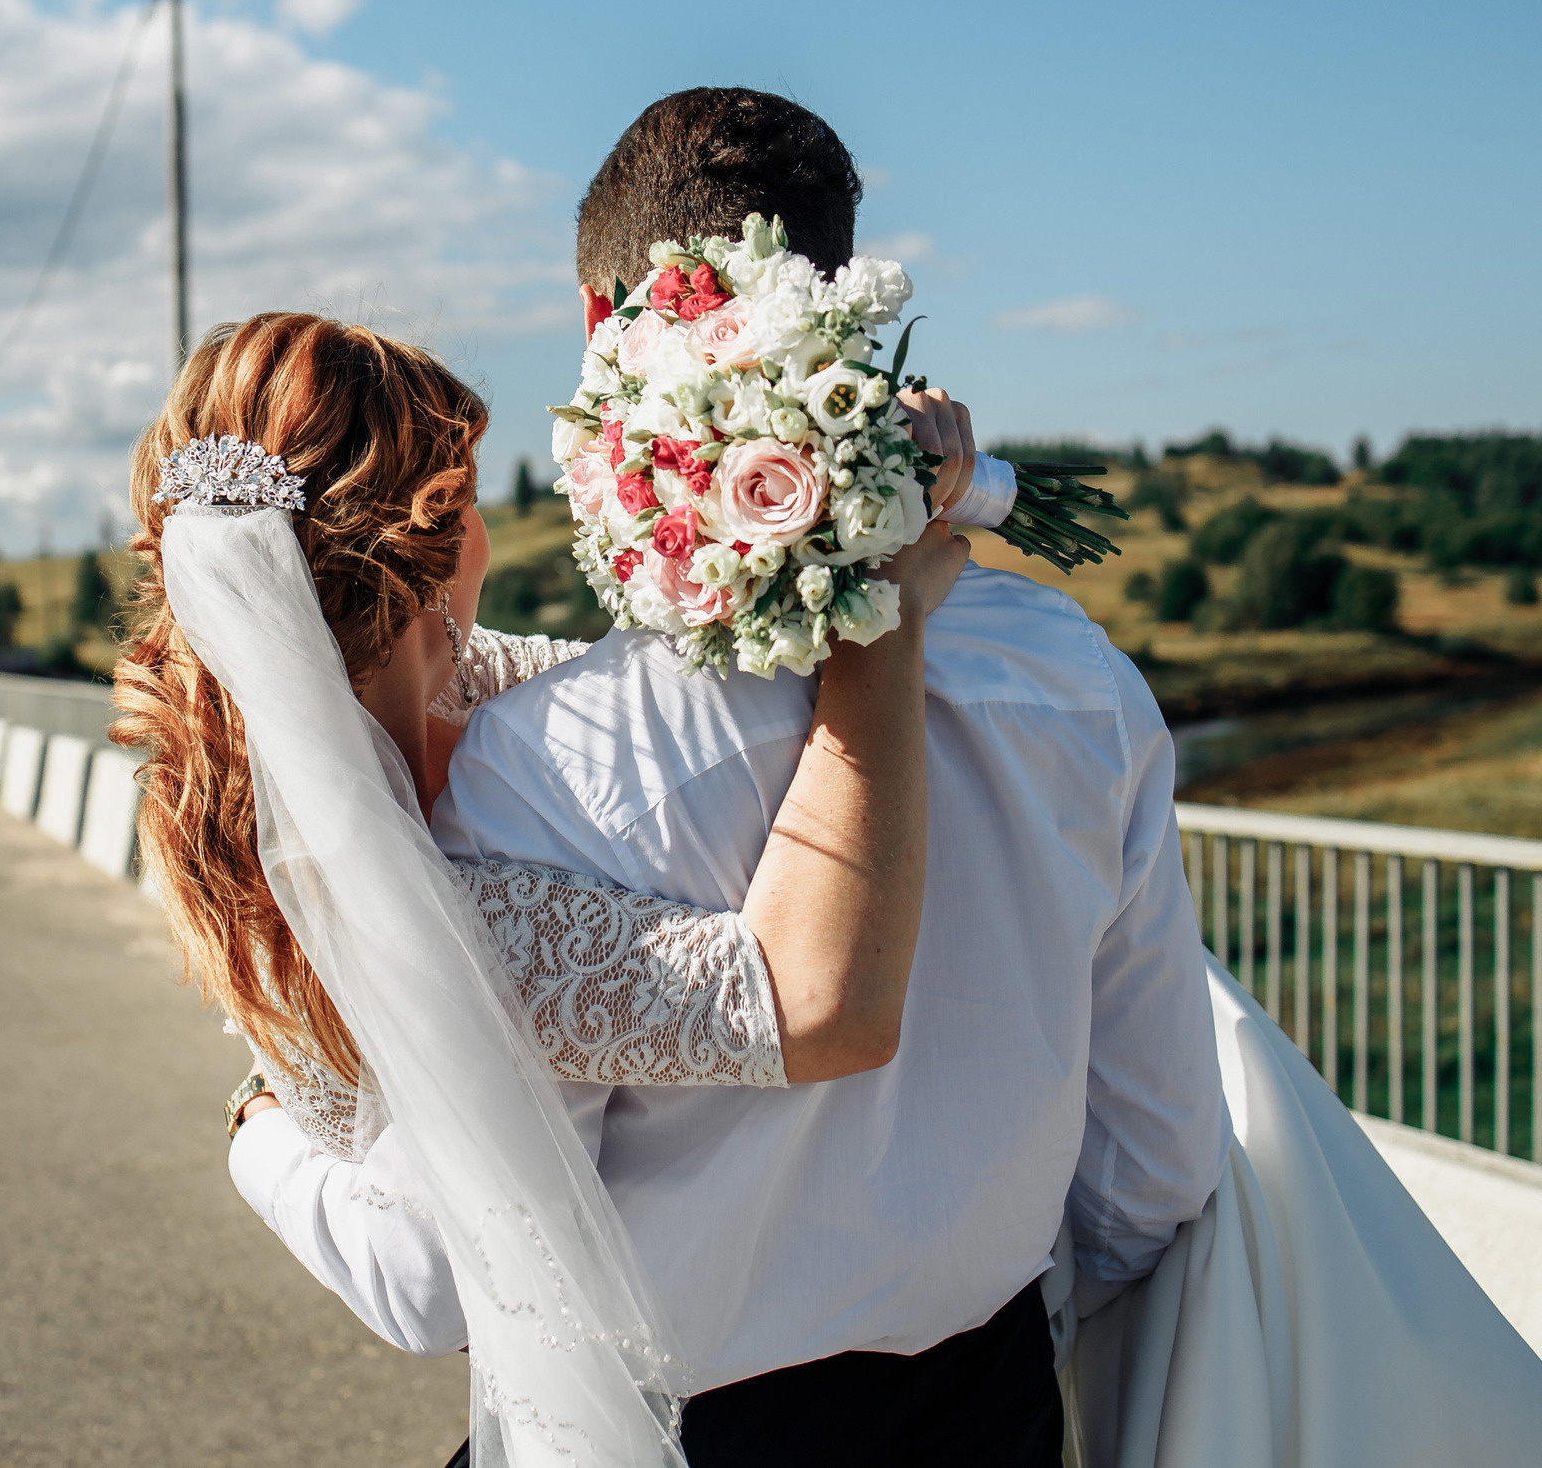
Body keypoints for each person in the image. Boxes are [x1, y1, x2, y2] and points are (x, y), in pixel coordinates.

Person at [229, 88, 1542, 1466]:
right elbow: (1156, 1173)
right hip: (987, 1420)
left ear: (597, 320)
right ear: (846, 308)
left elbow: (475, 1256)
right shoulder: (1074, 679)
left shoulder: (538, 764)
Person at [111, 308, 974, 1465]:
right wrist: (886, 612)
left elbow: (643, 687)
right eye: (467, 499)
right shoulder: (451, 898)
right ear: (436, 541)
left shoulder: (401, 706)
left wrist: (817, 514)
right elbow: (823, 1006)